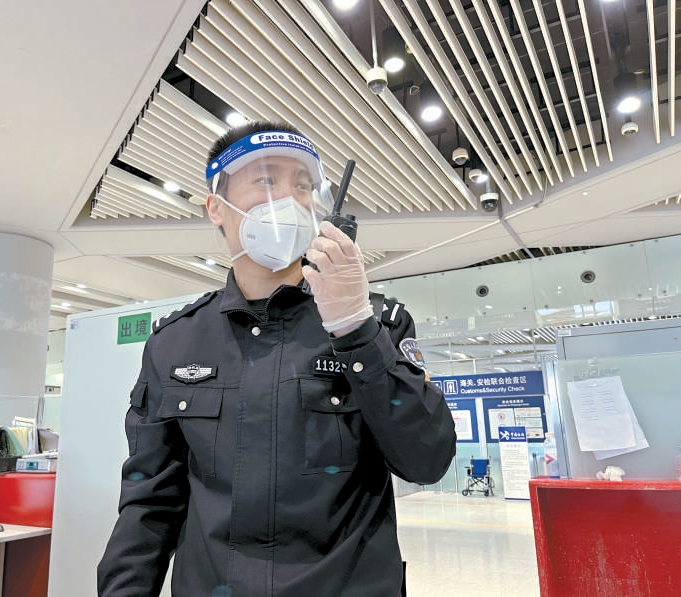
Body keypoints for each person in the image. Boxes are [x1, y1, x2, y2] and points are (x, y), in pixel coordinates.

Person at [97, 121, 456, 597]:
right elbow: (149, 502)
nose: (289, 198)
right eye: (266, 180)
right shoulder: (176, 342)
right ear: (216, 207)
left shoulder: (378, 325)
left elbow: (427, 460)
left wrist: (355, 331)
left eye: (303, 185)